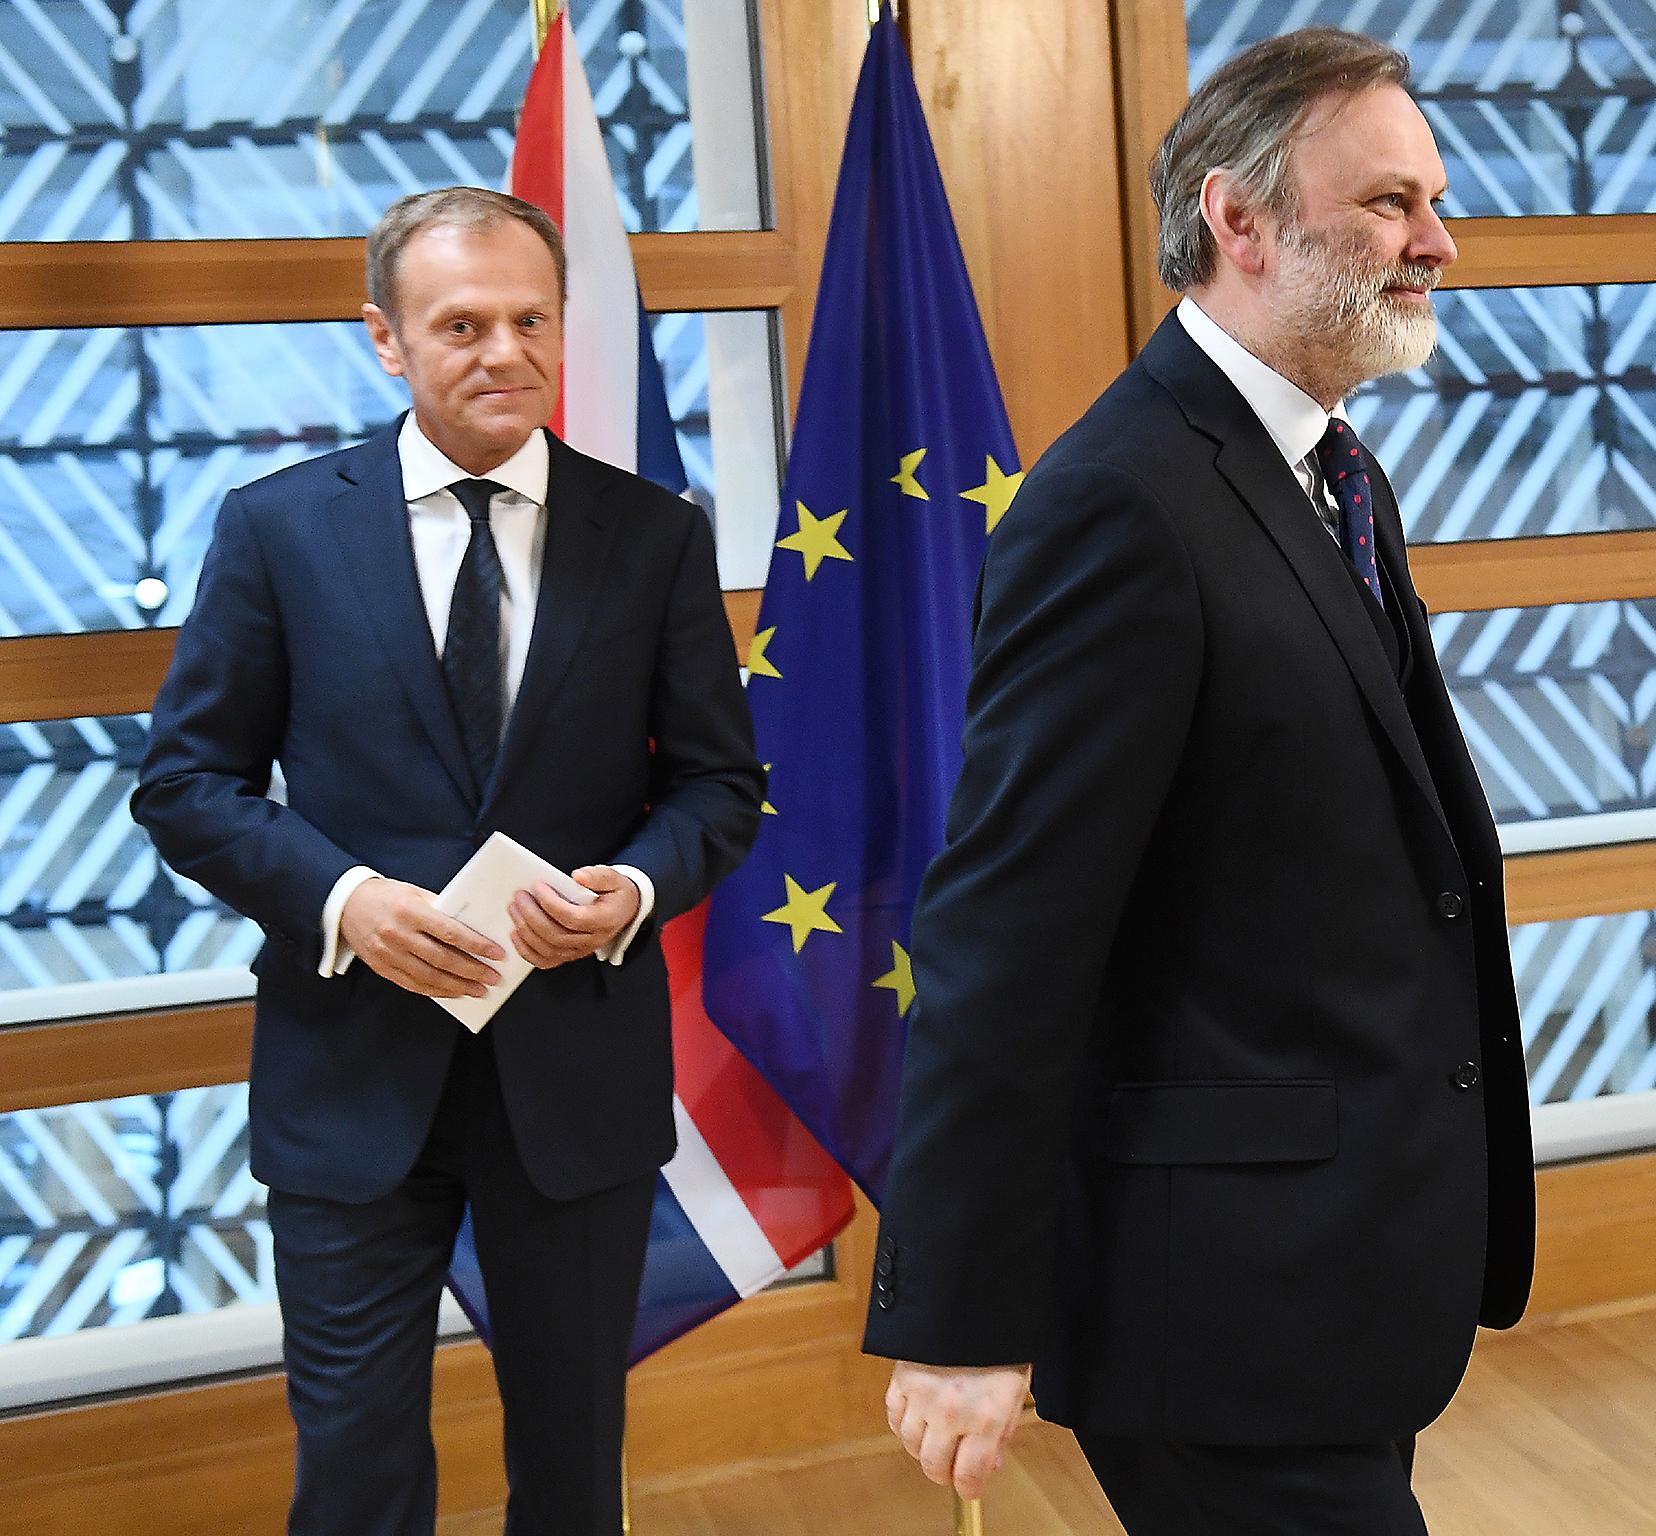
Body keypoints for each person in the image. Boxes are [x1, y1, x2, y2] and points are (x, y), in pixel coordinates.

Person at [862, 29, 1535, 1534]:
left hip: (1333, 1271)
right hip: (1220, 1305)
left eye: (1431, 197)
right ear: (1237, 222)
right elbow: (1007, 932)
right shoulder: (1118, 503)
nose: (1436, 241)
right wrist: (960, 1314)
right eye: (1385, 205)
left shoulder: (1326, 468)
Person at [132, 187, 762, 1535]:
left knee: (574, 1465)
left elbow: (719, 787)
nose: (503, 351)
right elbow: (187, 787)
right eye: (461, 323)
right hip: (350, 1079)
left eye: (531, 319)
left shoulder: (653, 535)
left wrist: (633, 890)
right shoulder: (280, 530)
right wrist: (346, 903)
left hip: (572, 1081)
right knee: (355, 1470)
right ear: (387, 340)